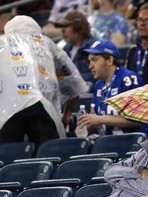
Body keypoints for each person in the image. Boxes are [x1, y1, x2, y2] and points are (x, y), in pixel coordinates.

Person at [0, 15, 87, 148]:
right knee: (50, 153)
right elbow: (74, 83)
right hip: (42, 107)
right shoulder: (46, 42)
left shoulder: (2, 43)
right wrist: (67, 115)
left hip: (9, 110)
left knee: (7, 159)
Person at [77, 39, 148, 136]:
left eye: (94, 60)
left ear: (109, 60)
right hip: (109, 142)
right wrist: (87, 124)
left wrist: (99, 119)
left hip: (134, 143)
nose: (90, 66)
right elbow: (97, 120)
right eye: (89, 61)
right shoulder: (99, 85)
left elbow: (137, 119)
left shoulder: (128, 79)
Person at [54, 10, 97, 82]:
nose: (62, 30)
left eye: (67, 26)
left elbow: (100, 74)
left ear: (80, 29)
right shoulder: (66, 49)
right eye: (62, 26)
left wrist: (73, 79)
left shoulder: (94, 47)